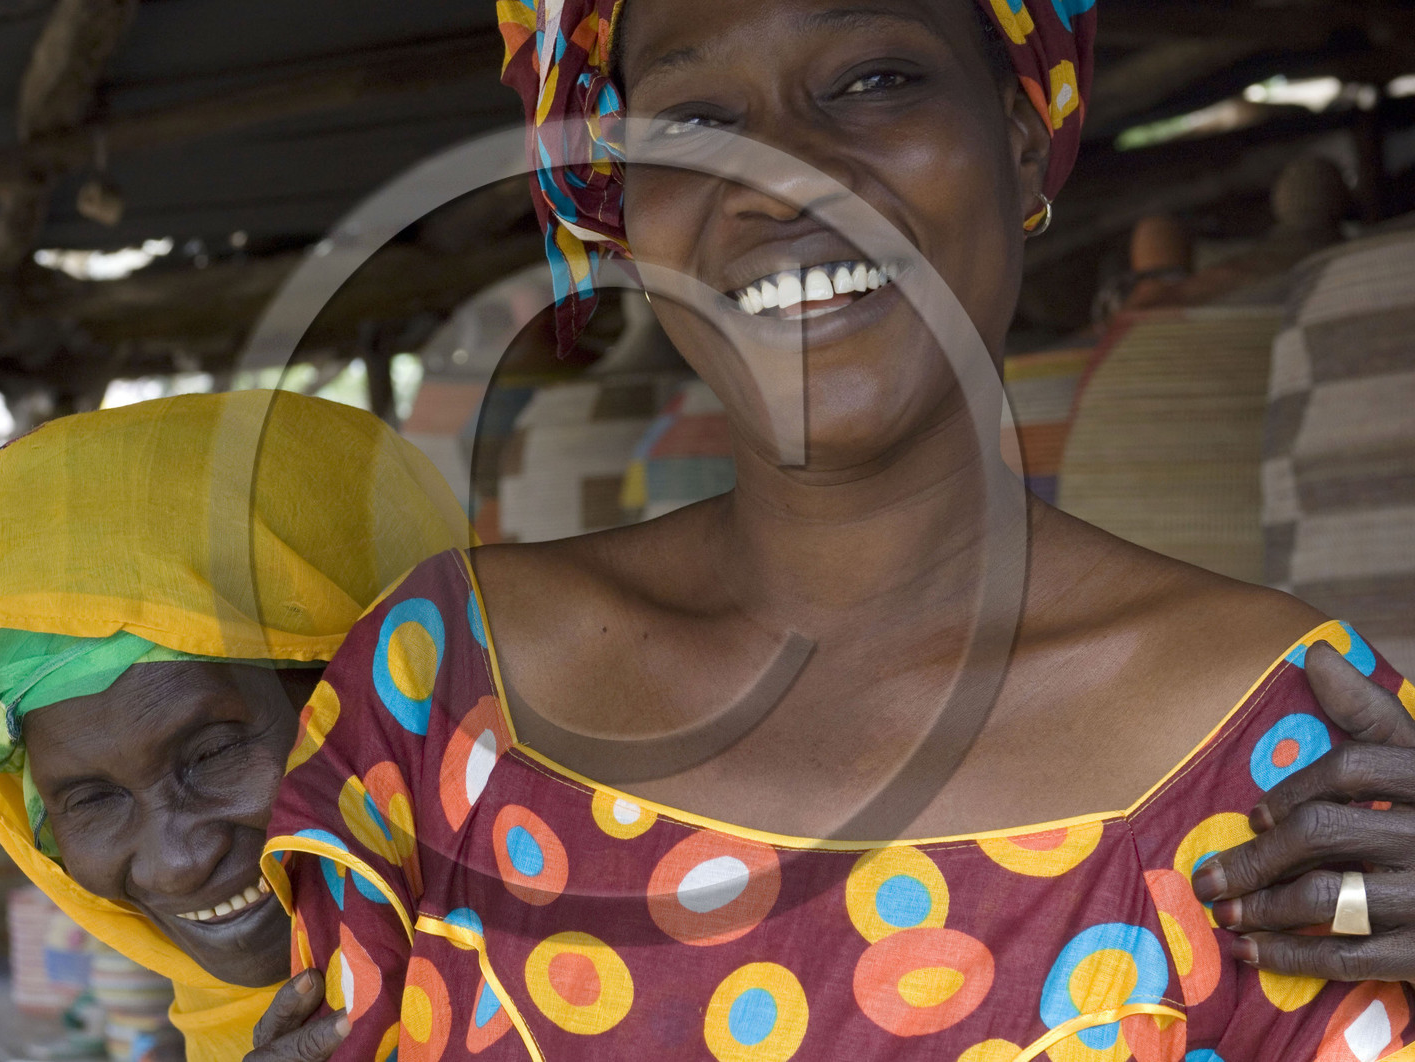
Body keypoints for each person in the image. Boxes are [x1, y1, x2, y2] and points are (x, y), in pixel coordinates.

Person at [263, 1, 1415, 1059]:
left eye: (872, 80)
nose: (782, 177)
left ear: (1018, 137)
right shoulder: (444, 688)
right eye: (696, 118)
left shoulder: (1278, 741)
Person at [0, 390, 471, 1062]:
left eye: (214, 754)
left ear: (401, 685)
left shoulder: (590, 947)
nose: (177, 865)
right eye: (90, 798)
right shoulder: (220, 1031)